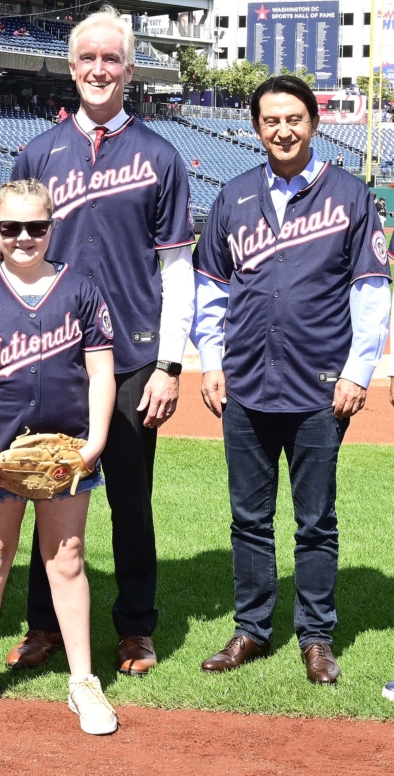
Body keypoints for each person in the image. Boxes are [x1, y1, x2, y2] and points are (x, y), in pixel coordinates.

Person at [0, 6, 194, 677]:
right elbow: (13, 256)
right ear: (72, 66)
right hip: (52, 354)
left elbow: (176, 268)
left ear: (129, 70)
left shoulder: (160, 156)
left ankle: (136, 627)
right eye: (89, 58)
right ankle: (44, 623)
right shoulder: (38, 152)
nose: (100, 69)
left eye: (112, 58)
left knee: (129, 501)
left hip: (133, 355)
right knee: (46, 486)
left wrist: (170, 364)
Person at [194, 75, 390, 685]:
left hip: (319, 386)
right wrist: (211, 360)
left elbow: (371, 291)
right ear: (256, 128)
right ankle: (252, 629)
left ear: (314, 123)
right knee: (248, 519)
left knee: (315, 521)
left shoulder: (350, 195)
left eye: (294, 119)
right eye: (271, 120)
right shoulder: (233, 196)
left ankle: (316, 636)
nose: (283, 130)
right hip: (247, 383)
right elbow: (210, 289)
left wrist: (359, 371)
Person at [0, 178, 117, 736]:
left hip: (66, 454)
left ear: (52, 226)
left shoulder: (80, 288)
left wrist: (95, 442)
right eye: (10, 227)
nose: (23, 237)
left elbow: (101, 372)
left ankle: (83, 680)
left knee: (67, 559)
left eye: (35, 226)